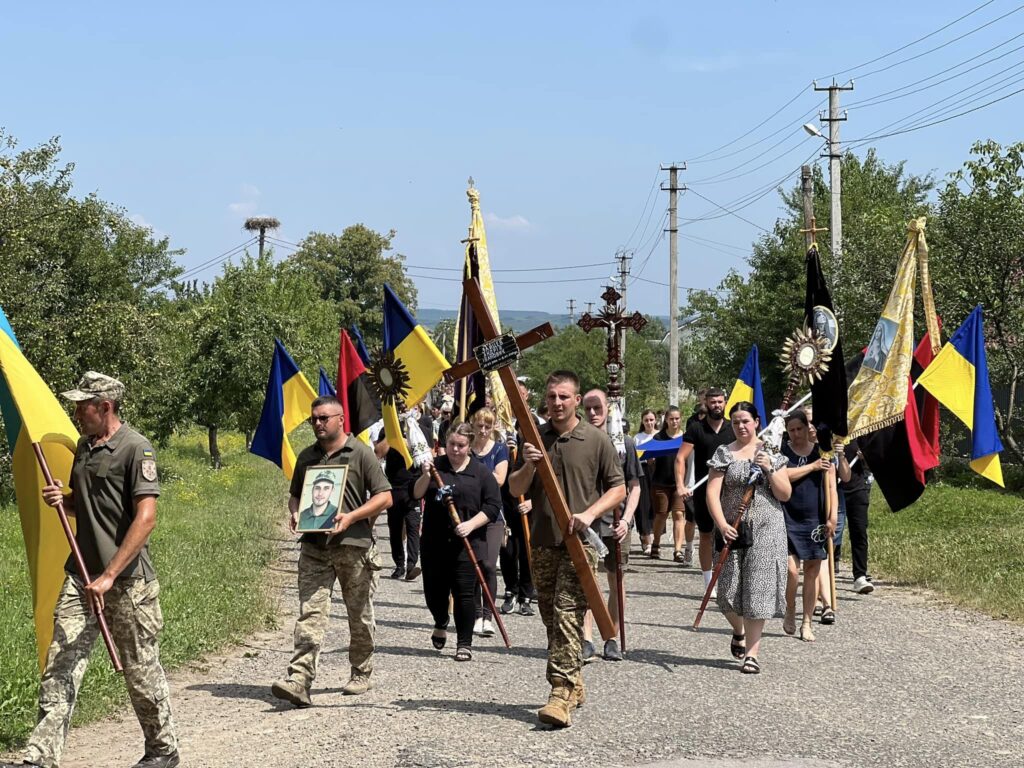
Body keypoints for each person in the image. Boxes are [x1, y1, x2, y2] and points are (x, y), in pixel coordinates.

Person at [17, 371, 180, 768]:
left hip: (126, 582)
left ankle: (162, 749)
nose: (76, 412)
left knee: (140, 670)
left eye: (82, 406)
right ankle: (41, 754)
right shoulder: (84, 448)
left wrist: (109, 575)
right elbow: (88, 505)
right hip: (81, 576)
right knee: (62, 661)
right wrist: (64, 499)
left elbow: (146, 518)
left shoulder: (136, 449)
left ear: (105, 406)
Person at [509, 370, 625, 728]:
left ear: (577, 401)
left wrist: (590, 514)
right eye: (552, 396)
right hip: (543, 542)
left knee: (567, 614)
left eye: (564, 397)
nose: (556, 403)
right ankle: (574, 681)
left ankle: (559, 693)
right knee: (551, 619)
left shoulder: (595, 439)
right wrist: (530, 462)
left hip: (579, 545)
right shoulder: (534, 438)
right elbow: (515, 489)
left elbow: (618, 488)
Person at [271, 396, 392, 708]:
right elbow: (295, 497)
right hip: (314, 548)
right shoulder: (307, 457)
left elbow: (385, 497)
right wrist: (296, 512)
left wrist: (351, 517)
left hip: (354, 548)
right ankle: (299, 679)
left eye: (324, 418)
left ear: (341, 420)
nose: (318, 423)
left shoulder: (361, 453)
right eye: (314, 419)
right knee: (310, 613)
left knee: (359, 614)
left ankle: (361, 670)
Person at [706, 402, 792, 675]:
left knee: (759, 588)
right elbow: (712, 492)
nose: (741, 426)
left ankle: (752, 654)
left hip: (767, 531)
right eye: (735, 422)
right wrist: (721, 524)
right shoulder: (724, 453)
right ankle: (738, 629)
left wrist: (769, 468)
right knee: (728, 593)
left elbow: (784, 493)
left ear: (757, 421)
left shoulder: (772, 450)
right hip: (733, 529)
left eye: (745, 421)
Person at [412, 423, 502, 661]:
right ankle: (441, 620)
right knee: (434, 592)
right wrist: (424, 475)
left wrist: (471, 524)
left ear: (469, 446)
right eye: (451, 444)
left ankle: (464, 643)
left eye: (460, 445)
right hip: (434, 541)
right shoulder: (435, 467)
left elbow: (493, 506)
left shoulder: (480, 472)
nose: (454, 449)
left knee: (464, 594)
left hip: (467, 544)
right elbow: (416, 494)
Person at [580, 389, 641, 662]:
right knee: (587, 581)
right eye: (588, 408)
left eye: (598, 408)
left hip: (617, 523)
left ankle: (612, 636)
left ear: (608, 408)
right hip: (588, 521)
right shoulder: (580, 439)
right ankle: (586, 638)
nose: (593, 413)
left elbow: (634, 486)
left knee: (616, 581)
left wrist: (627, 520)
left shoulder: (624, 443)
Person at [780, 409, 838, 642]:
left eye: (799, 429)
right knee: (791, 571)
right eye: (791, 430)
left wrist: (832, 516)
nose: (796, 434)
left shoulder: (822, 453)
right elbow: (782, 476)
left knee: (812, 572)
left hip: (815, 519)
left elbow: (832, 486)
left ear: (808, 428)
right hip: (787, 517)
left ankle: (807, 621)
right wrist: (812, 467)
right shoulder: (783, 453)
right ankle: (789, 608)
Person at [676, 388, 735, 589]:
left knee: (730, 535)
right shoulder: (696, 428)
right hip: (704, 490)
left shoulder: (733, 428)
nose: (716, 405)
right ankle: (708, 582)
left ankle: (729, 580)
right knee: (706, 535)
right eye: (712, 402)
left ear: (725, 403)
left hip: (730, 490)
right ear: (706, 404)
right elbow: (680, 458)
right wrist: (680, 485)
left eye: (719, 401)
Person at [469, 407, 509, 638]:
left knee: (488, 565)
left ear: (493, 426)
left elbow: (499, 480)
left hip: (494, 515)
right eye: (479, 425)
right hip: (471, 515)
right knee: (473, 566)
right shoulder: (468, 450)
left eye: (487, 426)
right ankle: (475, 615)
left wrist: (475, 474)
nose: (483, 430)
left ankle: (488, 615)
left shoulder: (499, 450)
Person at [499, 382, 538, 616]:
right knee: (507, 550)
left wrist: (533, 501)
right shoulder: (501, 426)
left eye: (521, 395)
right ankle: (510, 590)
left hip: (528, 501)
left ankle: (526, 593)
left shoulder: (534, 424)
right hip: (506, 499)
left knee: (527, 550)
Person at [377, 429, 421, 581]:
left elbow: (421, 450)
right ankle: (399, 565)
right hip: (393, 487)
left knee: (413, 527)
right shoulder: (387, 428)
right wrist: (392, 436)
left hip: (413, 487)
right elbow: (378, 452)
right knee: (395, 529)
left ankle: (411, 565)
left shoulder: (417, 427)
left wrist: (404, 440)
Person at [839, 439, 875, 594]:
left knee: (859, 531)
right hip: (832, 488)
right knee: (832, 532)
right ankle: (826, 569)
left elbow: (873, 464)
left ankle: (860, 575)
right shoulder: (827, 432)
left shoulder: (859, 434)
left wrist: (865, 457)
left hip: (857, 488)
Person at [649, 405, 685, 560]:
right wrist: (651, 459)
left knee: (678, 514)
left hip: (680, 484)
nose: (674, 422)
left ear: (680, 419)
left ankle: (678, 550)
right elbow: (650, 460)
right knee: (661, 515)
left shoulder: (686, 438)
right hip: (661, 482)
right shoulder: (658, 438)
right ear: (666, 420)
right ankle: (655, 543)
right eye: (671, 419)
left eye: (677, 418)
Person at [634, 409, 658, 555]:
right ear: (642, 422)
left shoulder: (661, 436)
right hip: (643, 472)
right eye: (646, 420)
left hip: (658, 472)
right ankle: (646, 540)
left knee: (656, 506)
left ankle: (655, 540)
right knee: (644, 505)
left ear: (655, 420)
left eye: (651, 420)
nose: (649, 423)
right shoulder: (637, 438)